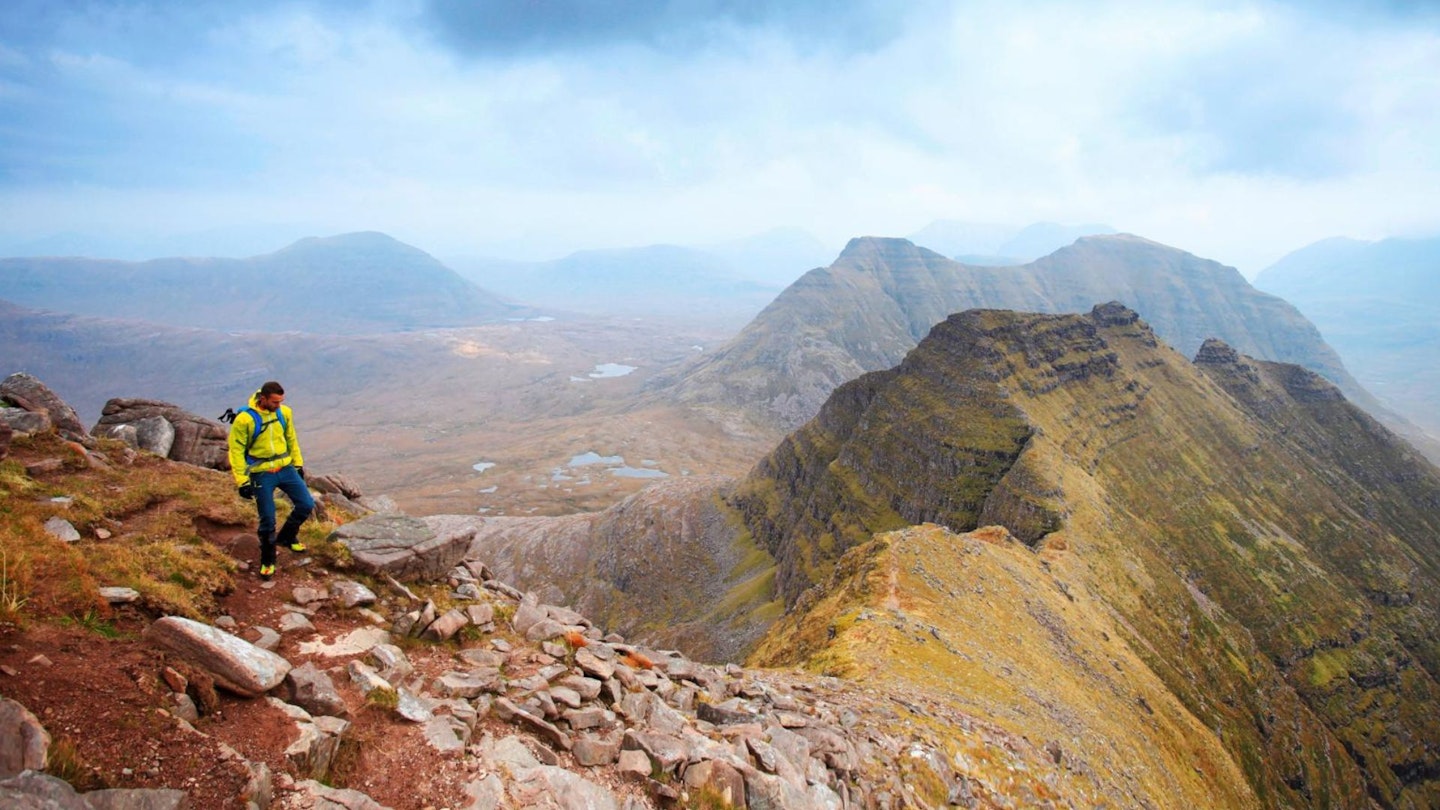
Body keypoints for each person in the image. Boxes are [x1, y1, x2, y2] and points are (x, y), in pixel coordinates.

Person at [227, 381, 314, 579]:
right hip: (261, 473)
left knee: (306, 504)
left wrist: (298, 465)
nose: (278, 406)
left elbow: (291, 438)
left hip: (285, 467)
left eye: (281, 401)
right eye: (275, 402)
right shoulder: (244, 420)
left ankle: (286, 537)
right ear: (263, 399)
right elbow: (236, 451)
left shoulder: (284, 413)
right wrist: (243, 481)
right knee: (267, 518)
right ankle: (267, 560)